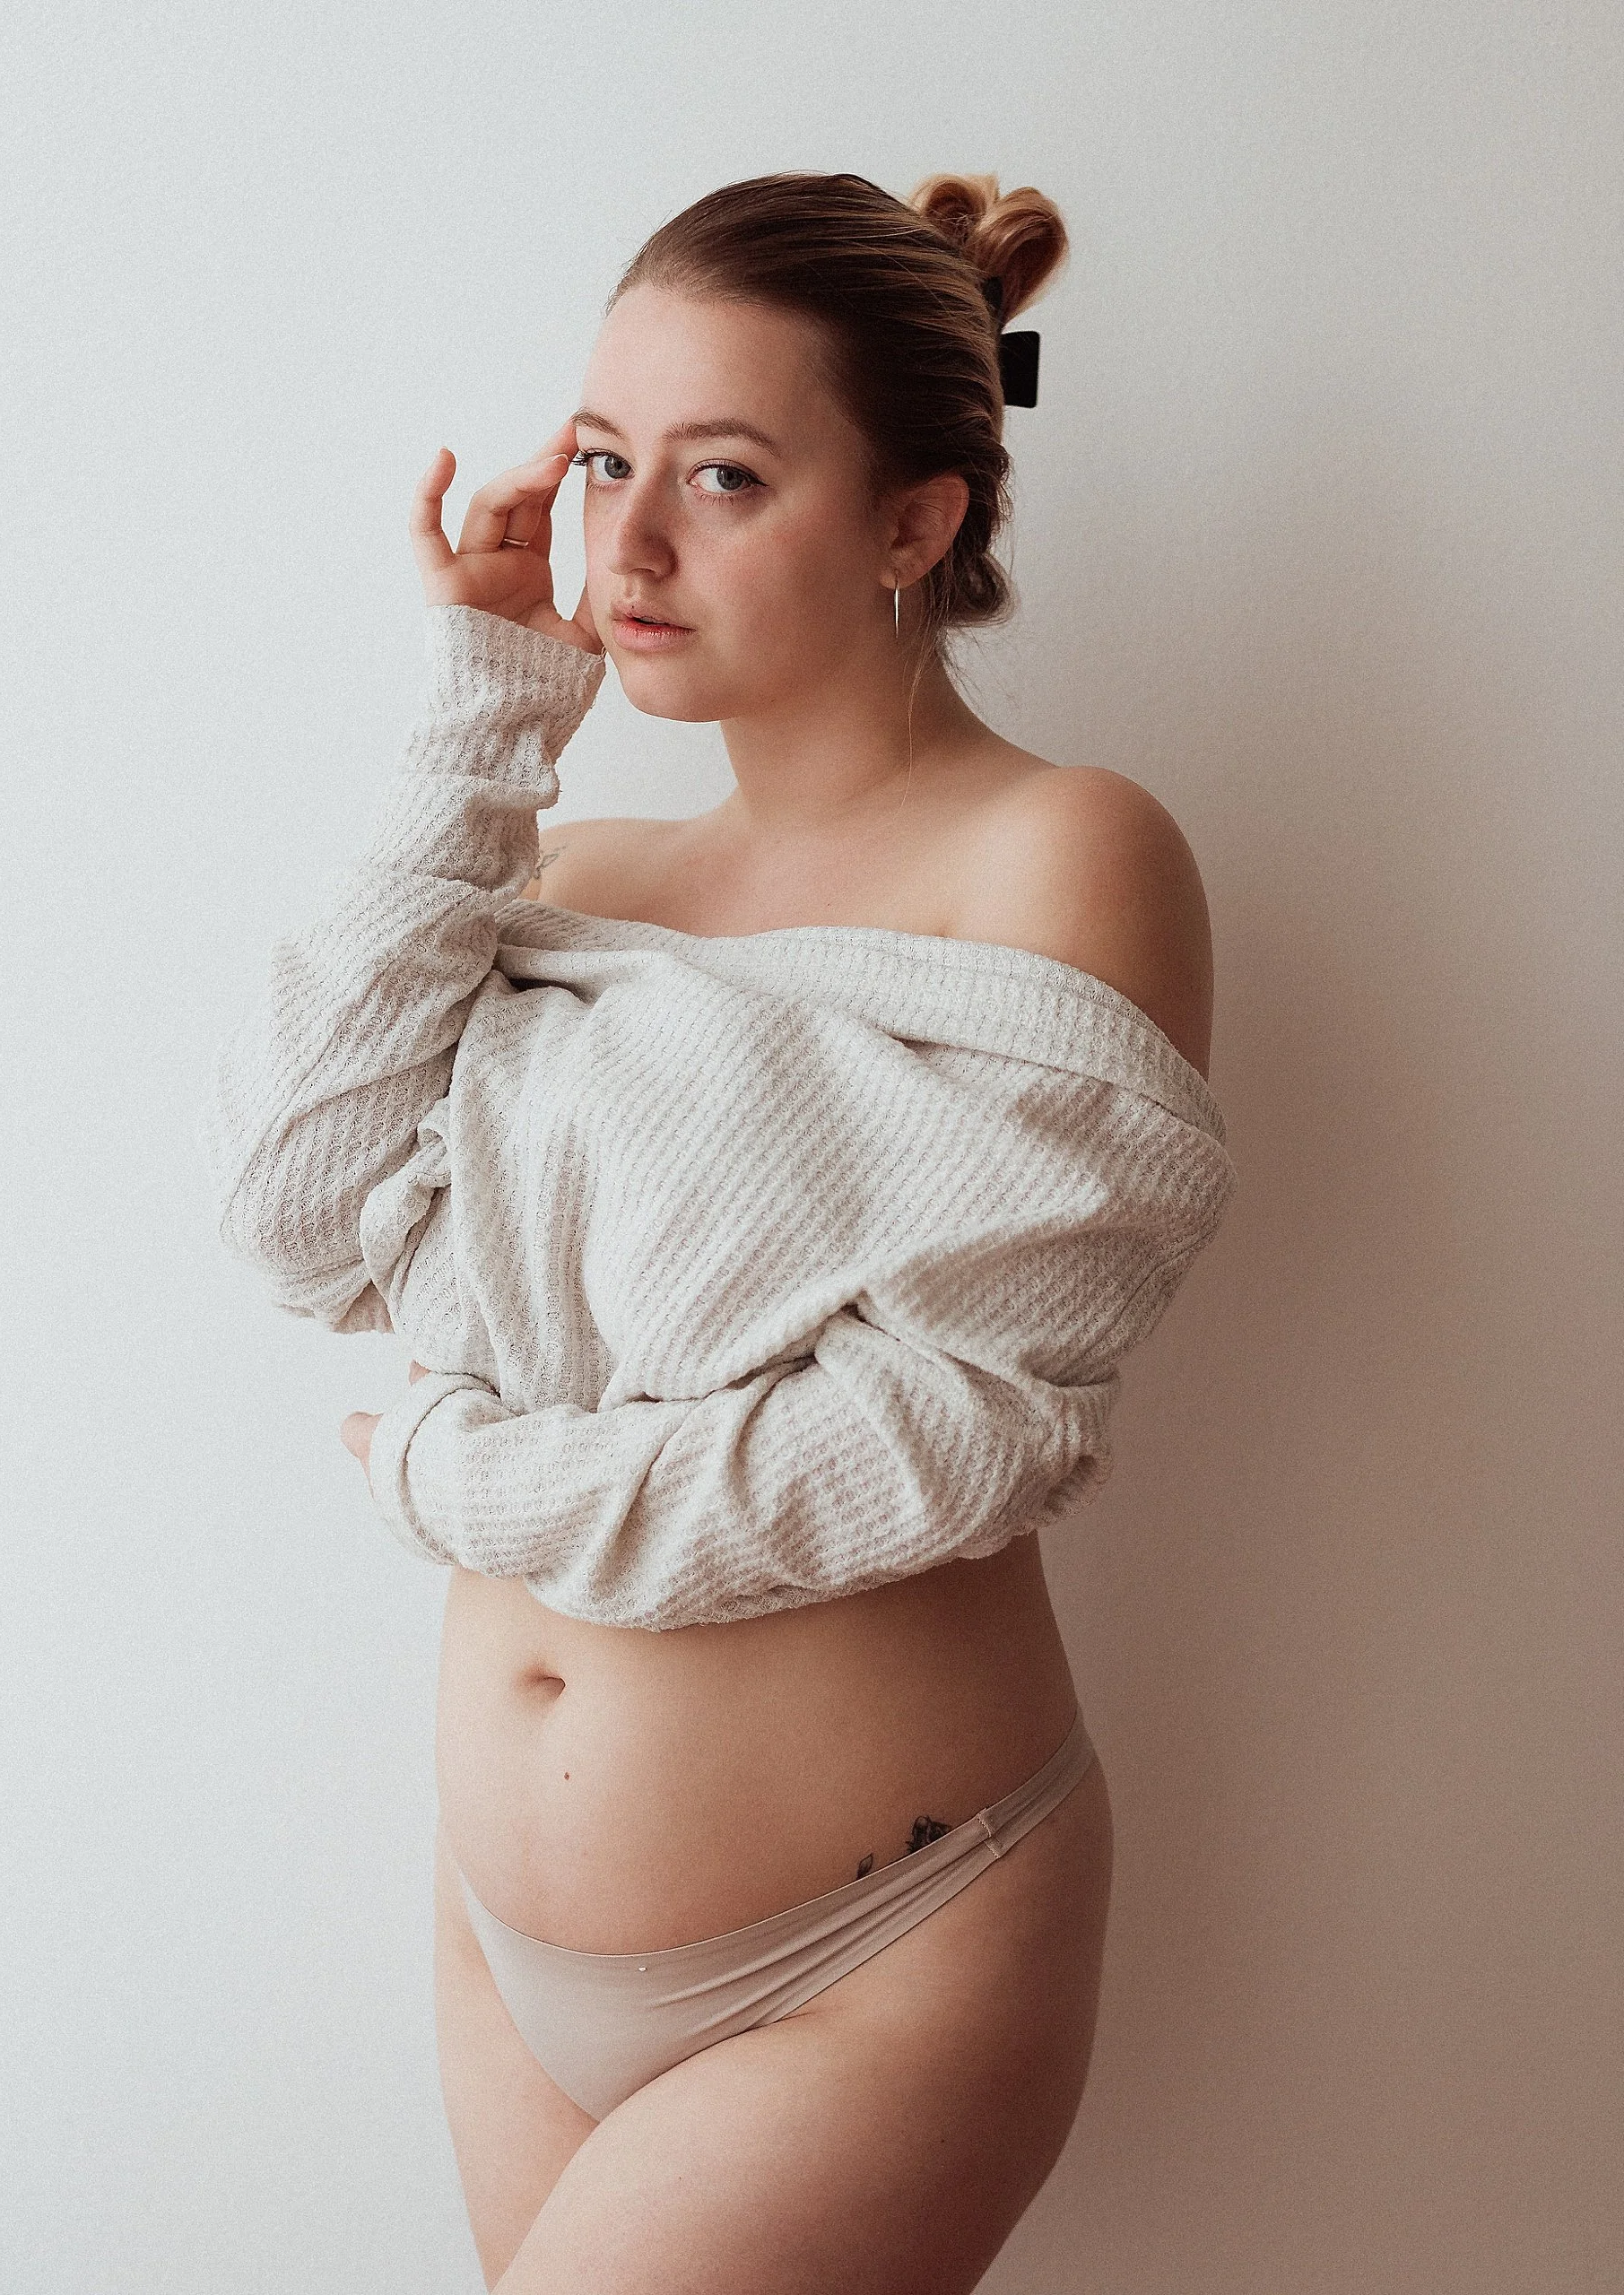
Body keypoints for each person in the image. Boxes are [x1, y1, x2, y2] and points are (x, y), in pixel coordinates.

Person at [201, 170, 1236, 2294]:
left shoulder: (1063, 856)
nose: (625, 541)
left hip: (882, 1941)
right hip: (509, 1946)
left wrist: (457, 1475)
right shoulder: (571, 868)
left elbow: (941, 1436)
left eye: (724, 475)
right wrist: (482, 709)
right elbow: (298, 1213)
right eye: (601, 460)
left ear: (916, 520)